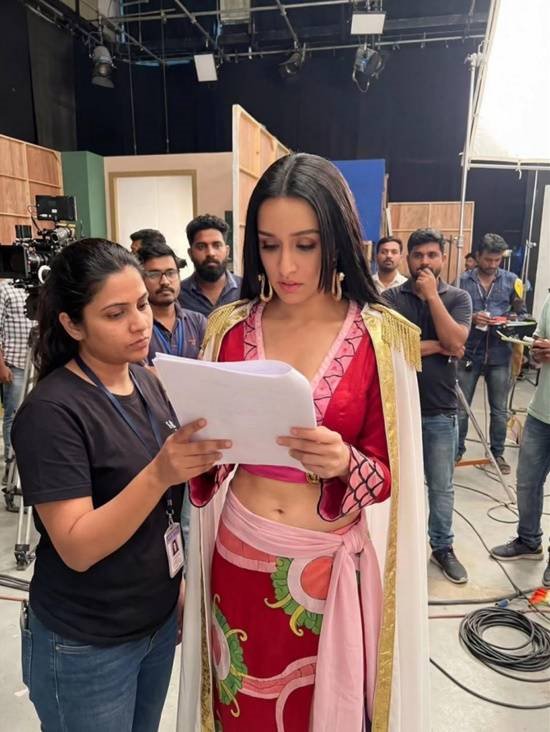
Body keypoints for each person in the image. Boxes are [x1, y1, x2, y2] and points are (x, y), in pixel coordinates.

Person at [178, 154, 429, 732]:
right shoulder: (229, 329)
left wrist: (345, 462)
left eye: (306, 245)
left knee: (320, 708)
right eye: (269, 246)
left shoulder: (379, 338)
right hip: (237, 555)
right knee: (242, 705)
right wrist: (200, 449)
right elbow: (209, 461)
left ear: (337, 240)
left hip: (325, 570)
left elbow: (391, 476)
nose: (286, 265)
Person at [12, 239, 230, 732]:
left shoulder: (146, 381)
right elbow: (77, 546)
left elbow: (164, 512)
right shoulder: (52, 413)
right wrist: (158, 473)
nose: (139, 323)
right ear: (72, 324)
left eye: (141, 304)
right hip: (87, 640)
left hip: (153, 621)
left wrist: (174, 584)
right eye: (115, 314)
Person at [385, 229, 472, 584]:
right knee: (397, 486)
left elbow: (457, 339)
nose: (425, 262)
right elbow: (391, 347)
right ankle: (398, 547)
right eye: (418, 255)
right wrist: (439, 346)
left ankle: (442, 547)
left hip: (440, 411)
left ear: (443, 258)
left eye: (432, 255)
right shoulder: (391, 298)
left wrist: (433, 297)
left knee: (441, 486)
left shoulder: (458, 297)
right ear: (408, 258)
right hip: (397, 410)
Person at [490, 293, 550, 586]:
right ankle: (529, 540)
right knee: (527, 482)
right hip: (541, 411)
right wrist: (537, 353)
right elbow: (537, 347)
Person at [457, 234, 526, 474]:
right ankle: (456, 451)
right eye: (488, 259)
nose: (493, 264)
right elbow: (452, 313)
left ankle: (497, 453)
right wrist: (472, 317)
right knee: (461, 407)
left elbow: (522, 315)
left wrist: (507, 320)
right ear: (477, 256)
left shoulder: (512, 281)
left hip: (499, 353)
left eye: (497, 260)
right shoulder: (462, 282)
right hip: (469, 353)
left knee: (499, 409)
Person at [137, 240, 206, 364]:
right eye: (154, 274)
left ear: (179, 276)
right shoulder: (136, 325)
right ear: (140, 279)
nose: (165, 281)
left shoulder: (197, 321)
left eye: (171, 273)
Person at [0, 280, 33, 482]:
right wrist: (1, 365)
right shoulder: (4, 289)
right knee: (13, 417)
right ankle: (11, 471)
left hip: (41, 363)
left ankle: (29, 469)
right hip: (15, 365)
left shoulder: (44, 284)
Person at [179, 214, 242, 316]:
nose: (210, 253)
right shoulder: (178, 295)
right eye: (201, 247)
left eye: (217, 245)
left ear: (227, 251)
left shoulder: (246, 290)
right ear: (190, 254)